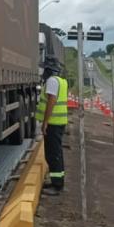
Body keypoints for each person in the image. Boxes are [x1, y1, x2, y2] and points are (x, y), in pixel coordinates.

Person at [35, 59, 68, 195]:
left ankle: (57, 186)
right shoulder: (61, 81)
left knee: (53, 154)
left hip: (53, 123)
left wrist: (45, 122)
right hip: (58, 122)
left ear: (49, 70)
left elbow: (52, 101)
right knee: (56, 153)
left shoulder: (52, 82)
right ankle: (57, 181)